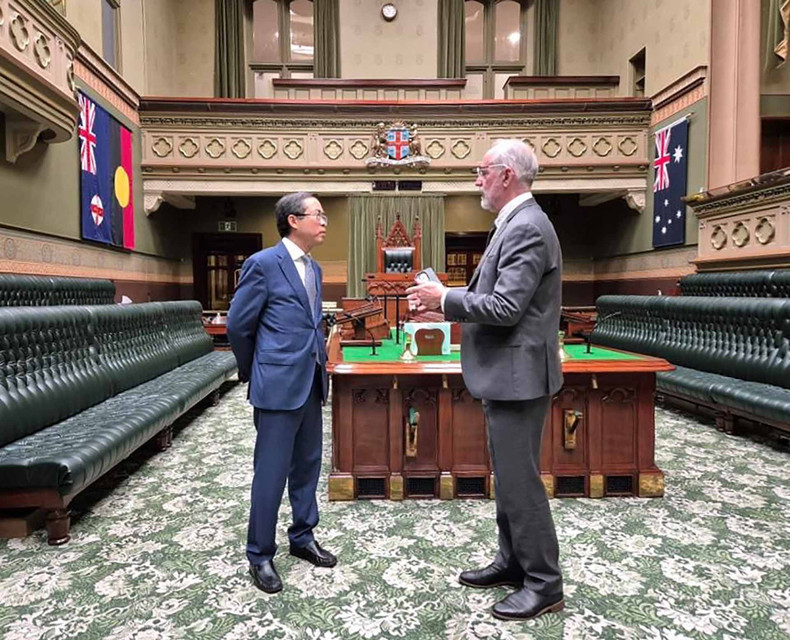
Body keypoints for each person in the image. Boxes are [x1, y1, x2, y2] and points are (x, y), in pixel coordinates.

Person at [406, 139, 564, 621]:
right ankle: (513, 563)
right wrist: (441, 303)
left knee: (521, 483)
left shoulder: (528, 227)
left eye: (482, 171)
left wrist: (446, 296)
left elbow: (505, 308)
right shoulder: (512, 224)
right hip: (505, 376)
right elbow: (495, 302)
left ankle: (544, 582)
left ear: (506, 175)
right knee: (509, 478)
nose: (477, 179)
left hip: (518, 378)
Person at [227, 192, 336, 594]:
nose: (324, 221)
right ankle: (260, 554)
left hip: (310, 381)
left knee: (308, 466)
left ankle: (303, 537)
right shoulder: (263, 264)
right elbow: (240, 325)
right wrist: (253, 368)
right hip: (276, 385)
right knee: (271, 473)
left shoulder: (315, 269)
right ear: (293, 220)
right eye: (317, 214)